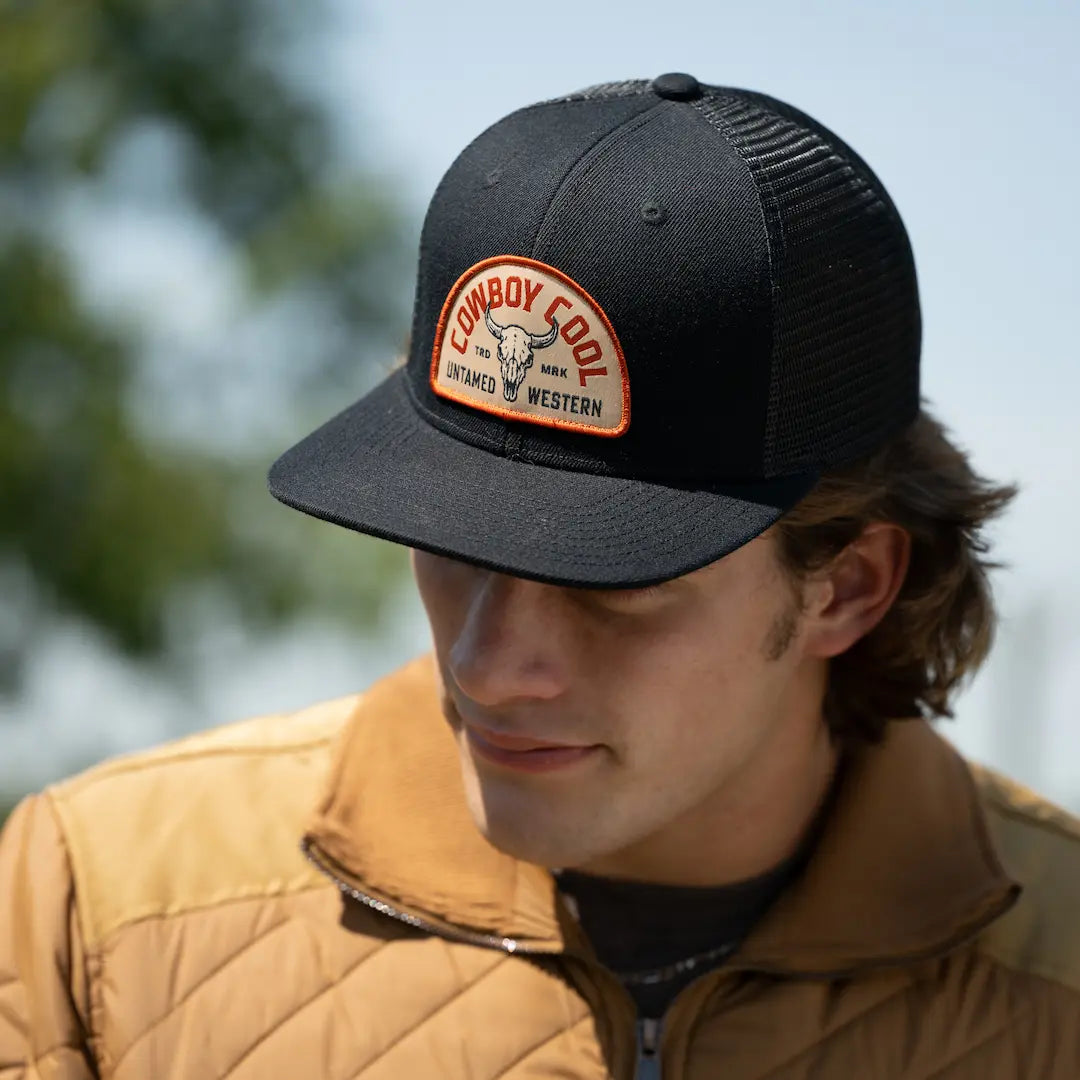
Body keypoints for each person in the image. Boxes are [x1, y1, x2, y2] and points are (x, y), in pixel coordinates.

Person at [2, 74, 1078, 1080]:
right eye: (453, 544)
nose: (486, 667)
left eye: (614, 584)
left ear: (845, 588)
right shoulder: (100, 912)